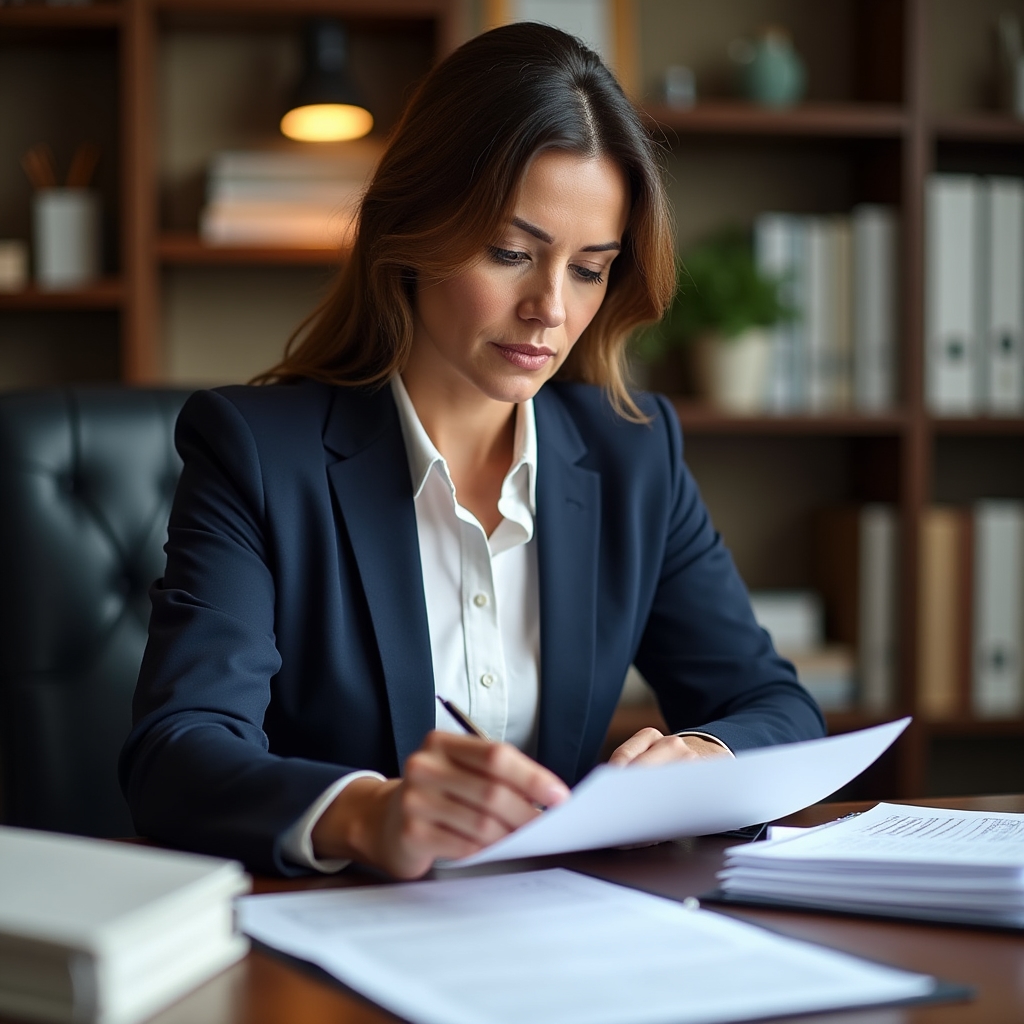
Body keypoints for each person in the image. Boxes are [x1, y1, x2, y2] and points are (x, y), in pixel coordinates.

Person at [119, 22, 824, 879]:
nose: (550, 309)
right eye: (510, 253)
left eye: (589, 269)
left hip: (562, 927)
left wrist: (708, 755)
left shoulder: (632, 456)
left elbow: (775, 705)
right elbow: (177, 752)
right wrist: (368, 814)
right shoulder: (257, 454)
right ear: (411, 230)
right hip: (342, 930)